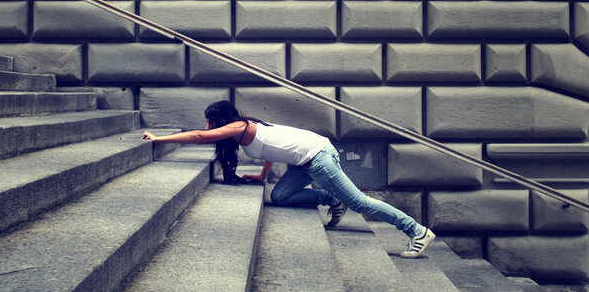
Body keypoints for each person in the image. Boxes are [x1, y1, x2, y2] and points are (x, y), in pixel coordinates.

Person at [141, 100, 435, 258]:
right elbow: (273, 151)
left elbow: (198, 136)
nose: (207, 126)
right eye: (207, 121)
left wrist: (158, 140)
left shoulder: (241, 127)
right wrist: (263, 175)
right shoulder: (246, 128)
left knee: (360, 202)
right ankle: (330, 199)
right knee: (279, 197)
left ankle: (417, 232)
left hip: (319, 157)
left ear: (225, 121)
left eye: (211, 122)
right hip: (303, 161)